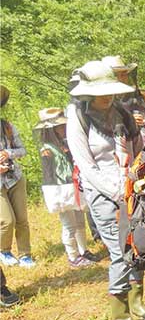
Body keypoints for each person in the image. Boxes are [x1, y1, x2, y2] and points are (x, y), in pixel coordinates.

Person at [67, 60, 145, 320]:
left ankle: (135, 301)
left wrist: (137, 180)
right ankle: (119, 315)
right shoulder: (78, 117)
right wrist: (115, 190)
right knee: (119, 252)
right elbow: (86, 164)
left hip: (130, 188)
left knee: (137, 244)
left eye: (110, 90)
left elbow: (138, 149)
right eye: (101, 92)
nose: (106, 96)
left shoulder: (123, 112)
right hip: (102, 194)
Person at [35, 107, 97, 268]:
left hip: (73, 186)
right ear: (51, 130)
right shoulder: (47, 150)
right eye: (59, 127)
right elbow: (52, 173)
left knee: (79, 219)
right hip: (60, 190)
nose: (63, 129)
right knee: (69, 224)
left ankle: (83, 251)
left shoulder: (65, 144)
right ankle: (72, 255)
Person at [0, 85, 35, 268]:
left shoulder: (7, 127)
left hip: (15, 177)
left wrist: (8, 153)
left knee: (22, 219)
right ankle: (4, 250)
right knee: (7, 220)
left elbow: (22, 150)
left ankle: (25, 254)